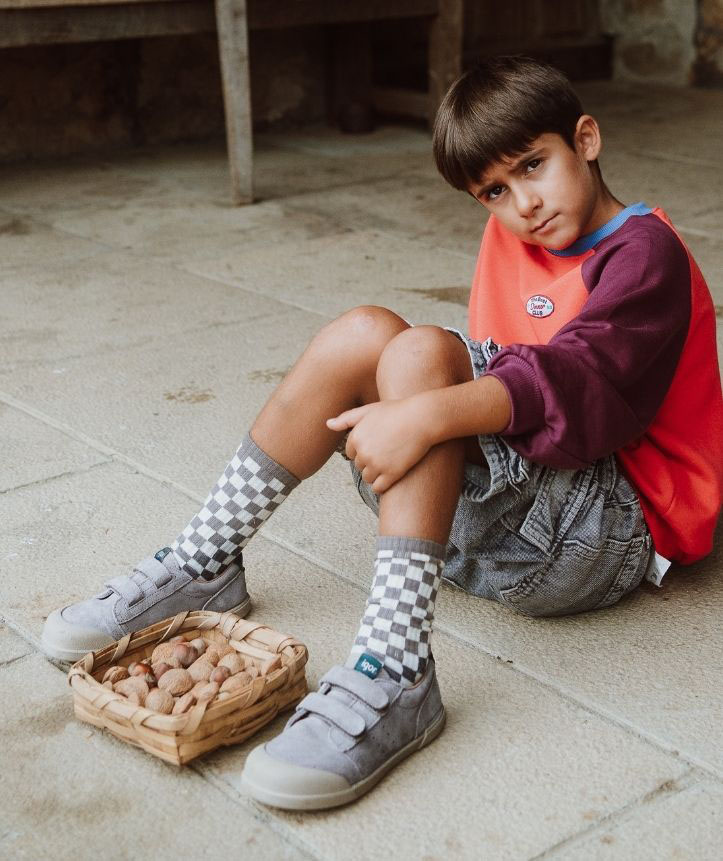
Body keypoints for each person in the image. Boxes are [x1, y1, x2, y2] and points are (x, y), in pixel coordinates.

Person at [42, 56, 722, 810]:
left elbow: (580, 386)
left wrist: (424, 412)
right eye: (493, 191)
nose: (523, 204)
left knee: (422, 353)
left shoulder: (643, 253)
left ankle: (395, 668)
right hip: (507, 523)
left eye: (534, 165)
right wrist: (424, 407)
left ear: (585, 139)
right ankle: (206, 558)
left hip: (607, 536)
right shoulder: (519, 233)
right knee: (365, 332)